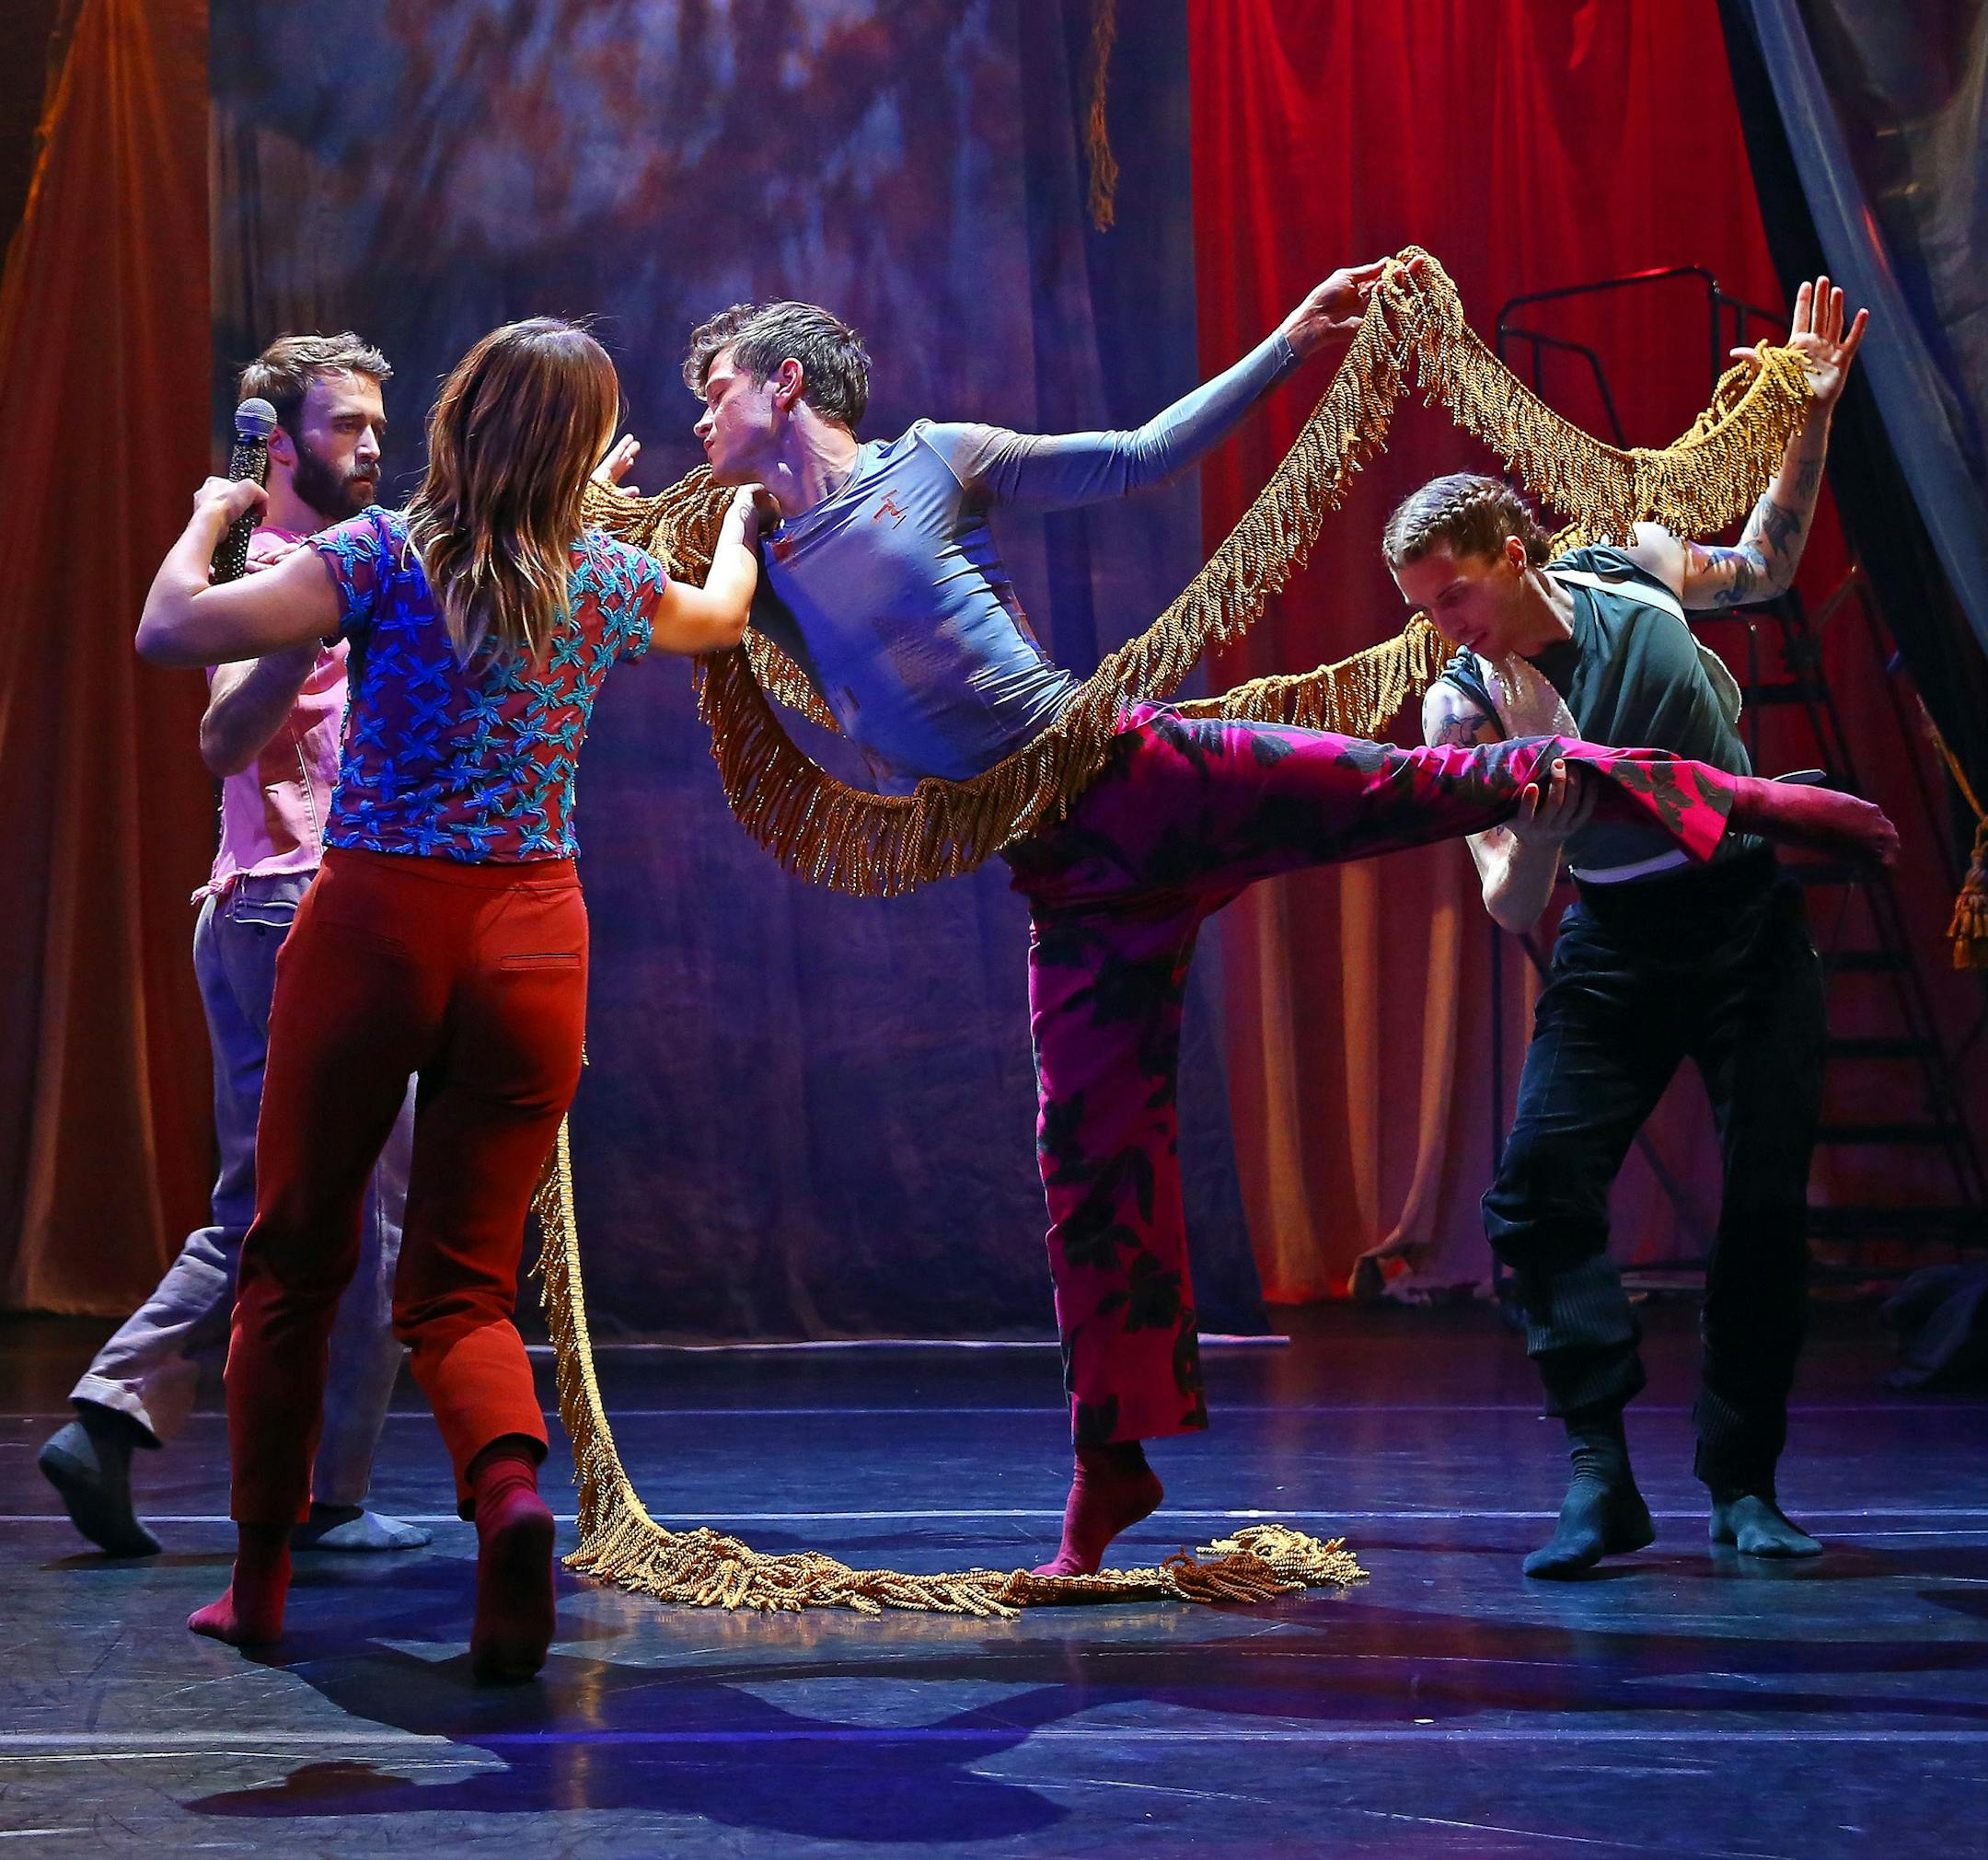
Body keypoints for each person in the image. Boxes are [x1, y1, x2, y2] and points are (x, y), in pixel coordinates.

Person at [670, 271, 1896, 1577]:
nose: (701, 418)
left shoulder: (933, 461)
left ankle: (1712, 791)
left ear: (783, 382)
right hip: (1063, 870)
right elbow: (691, 600)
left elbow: (1141, 453)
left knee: (1393, 787)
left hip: (1129, 775)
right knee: (1089, 1165)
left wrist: (1283, 346)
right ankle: (1111, 1472)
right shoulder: (746, 549)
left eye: (715, 390)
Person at [135, 318, 766, 1679]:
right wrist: (740, 532)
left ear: (459, 424)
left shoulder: (378, 556)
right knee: (464, 1289)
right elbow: (719, 622)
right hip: (535, 937)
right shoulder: (606, 579)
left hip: (371, 925)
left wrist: (208, 515)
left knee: (298, 1258)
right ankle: (510, 1502)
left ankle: (257, 1582)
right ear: (583, 453)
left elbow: (170, 626)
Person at [1400, 276, 1871, 1577]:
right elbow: (1506, 903)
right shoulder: (1461, 713)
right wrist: (1544, 824)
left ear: (1512, 553)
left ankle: (1745, 1485)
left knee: (1765, 1205)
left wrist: (1810, 420)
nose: (1443, 627)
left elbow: (1769, 564)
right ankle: (1601, 1474)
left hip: (1742, 923)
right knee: (1536, 1192)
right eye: (1425, 609)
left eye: (1453, 597)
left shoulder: (1636, 566)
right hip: (1611, 946)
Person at [40, 332, 426, 1559]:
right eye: (345, 425)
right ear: (287, 436)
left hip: (280, 908)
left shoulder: (338, 558)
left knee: (273, 1201)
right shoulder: (278, 565)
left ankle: (114, 1407)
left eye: (377, 423)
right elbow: (222, 737)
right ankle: (333, 1494)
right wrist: (308, 629)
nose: (368, 444)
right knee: (360, 1218)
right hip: (295, 909)